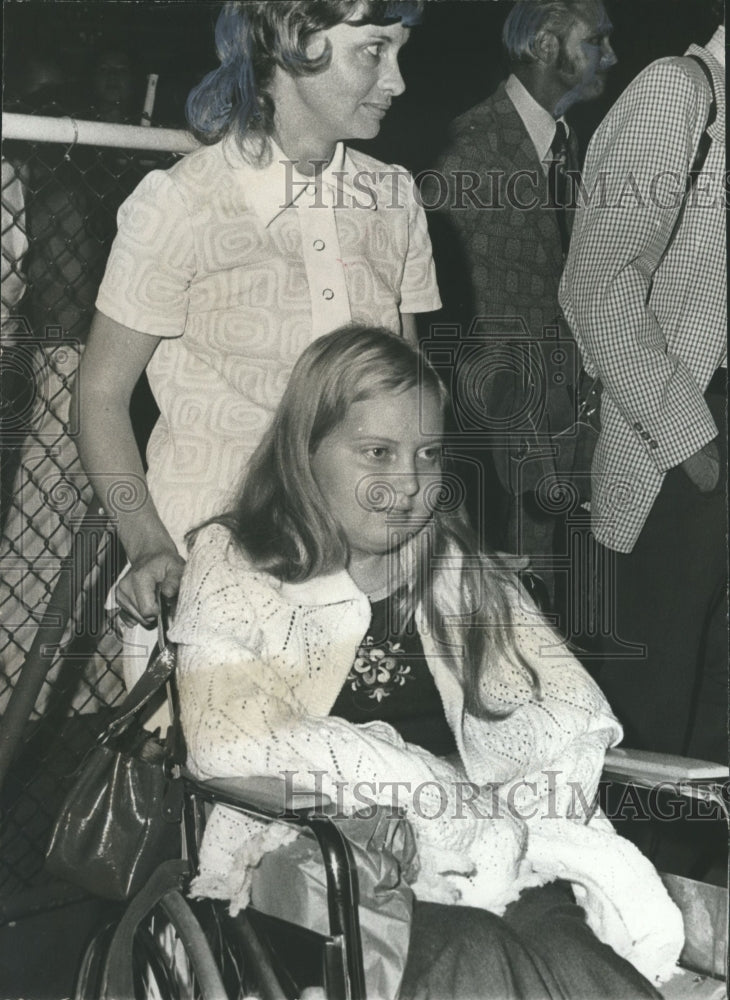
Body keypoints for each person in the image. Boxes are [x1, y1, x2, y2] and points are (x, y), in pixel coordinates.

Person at [171, 326, 683, 999]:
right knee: (473, 959)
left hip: (478, 855)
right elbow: (228, 742)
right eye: (377, 452)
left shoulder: (456, 567)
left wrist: (503, 816)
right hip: (316, 864)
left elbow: (567, 713)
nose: (408, 483)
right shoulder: (237, 563)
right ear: (306, 451)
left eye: (429, 454)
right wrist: (417, 791)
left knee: (578, 959)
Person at [73, 0, 440, 681]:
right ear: (295, 42)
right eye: (373, 51)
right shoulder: (181, 202)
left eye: (400, 52)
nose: (398, 81)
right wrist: (149, 547)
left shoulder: (394, 199)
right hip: (212, 575)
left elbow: (411, 408)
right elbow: (98, 395)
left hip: (359, 581)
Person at [559, 20, 726, 762]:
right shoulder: (676, 92)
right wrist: (696, 444)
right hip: (682, 449)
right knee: (655, 736)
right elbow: (597, 284)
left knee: (715, 727)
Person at [425, 0, 616, 609]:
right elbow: (448, 331)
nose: (611, 56)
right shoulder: (466, 152)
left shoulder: (566, 143)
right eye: (597, 41)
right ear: (544, 46)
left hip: (557, 455)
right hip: (496, 469)